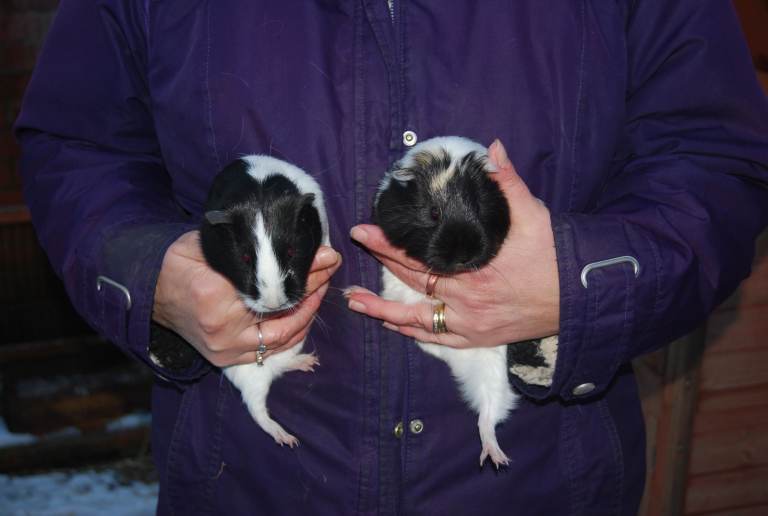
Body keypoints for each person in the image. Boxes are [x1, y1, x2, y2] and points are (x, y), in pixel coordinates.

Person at [15, 1, 768, 514]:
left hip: (542, 487)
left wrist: (581, 287)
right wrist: (153, 277)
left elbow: (715, 157)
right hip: (245, 487)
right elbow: (78, 146)